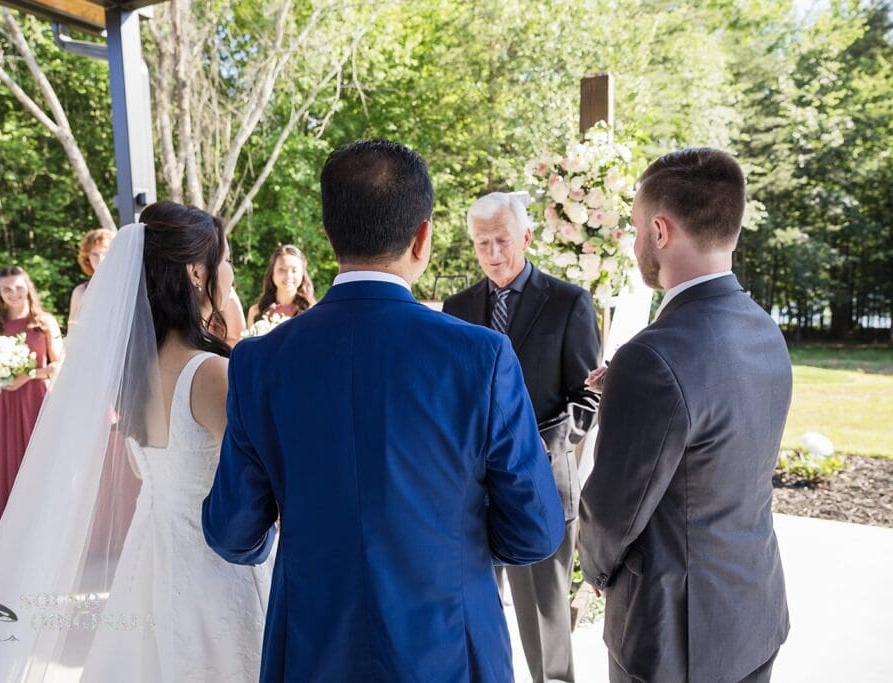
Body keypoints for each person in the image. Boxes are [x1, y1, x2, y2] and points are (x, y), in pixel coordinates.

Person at [202, 139, 564, 681]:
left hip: (311, 648)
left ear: (329, 236)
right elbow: (534, 529)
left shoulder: (259, 361)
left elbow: (232, 531)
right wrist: (451, 545)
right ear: (422, 237)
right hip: (450, 647)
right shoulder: (481, 356)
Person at [0, 202, 271, 682]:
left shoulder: (134, 372)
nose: (231, 273)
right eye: (226, 260)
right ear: (197, 272)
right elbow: (258, 480)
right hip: (215, 563)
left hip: (151, 555)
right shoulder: (210, 373)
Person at [577, 148, 791, 683]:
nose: (635, 244)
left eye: (635, 229)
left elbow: (612, 512)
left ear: (660, 231)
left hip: (676, 635)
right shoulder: (764, 329)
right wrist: (628, 389)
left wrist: (595, 571)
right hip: (754, 612)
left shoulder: (652, 357)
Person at [443, 191, 600, 683]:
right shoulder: (456, 308)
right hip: (472, 491)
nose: (493, 253)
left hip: (542, 484)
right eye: (482, 243)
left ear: (526, 237)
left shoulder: (570, 303)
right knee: (473, 616)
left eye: (502, 241)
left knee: (545, 622)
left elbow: (587, 397)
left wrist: (545, 444)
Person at [0, 266, 64, 548]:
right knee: (2, 459)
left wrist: (28, 375)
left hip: (35, 399)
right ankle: (5, 538)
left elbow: (59, 364)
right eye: (6, 289)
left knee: (39, 460)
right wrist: (0, 374)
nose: (13, 293)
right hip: (1, 400)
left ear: (28, 287)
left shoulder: (44, 321)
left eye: (19, 287)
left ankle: (41, 535)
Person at [245, 244, 315, 325]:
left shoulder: (312, 312)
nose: (288, 276)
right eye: (282, 269)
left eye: (294, 270)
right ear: (272, 273)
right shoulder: (256, 312)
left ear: (302, 274)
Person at [68, 227, 114, 330]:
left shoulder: (127, 288)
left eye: (105, 253)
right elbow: (72, 332)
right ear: (87, 258)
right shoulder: (80, 292)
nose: (100, 259)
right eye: (95, 255)